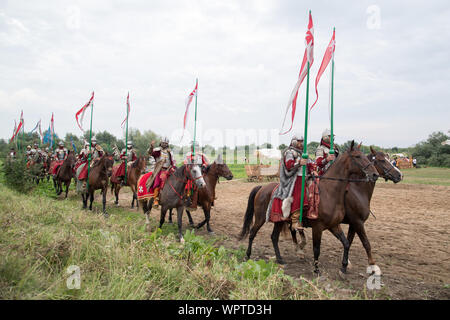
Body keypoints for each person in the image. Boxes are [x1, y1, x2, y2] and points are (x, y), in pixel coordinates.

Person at [269, 135, 316, 231]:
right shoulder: (290, 152)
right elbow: (289, 165)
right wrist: (299, 163)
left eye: (302, 141)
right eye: (298, 141)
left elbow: (311, 163)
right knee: (299, 195)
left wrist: (313, 170)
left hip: (305, 177)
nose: (300, 143)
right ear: (294, 141)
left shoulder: (304, 153)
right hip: (293, 178)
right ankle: (295, 221)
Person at [147, 137, 176, 208]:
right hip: (159, 170)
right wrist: (151, 147)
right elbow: (150, 153)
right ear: (161, 143)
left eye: (166, 143)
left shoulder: (170, 152)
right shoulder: (157, 150)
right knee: (158, 182)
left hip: (168, 170)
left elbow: (173, 161)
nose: (164, 144)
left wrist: (173, 167)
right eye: (163, 143)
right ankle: (156, 199)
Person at [184, 141, 210, 210]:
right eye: (193, 147)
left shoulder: (200, 155)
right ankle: (188, 199)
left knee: (208, 181)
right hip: (192, 172)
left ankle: (209, 197)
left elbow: (206, 162)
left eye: (196, 147)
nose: (195, 148)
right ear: (191, 147)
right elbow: (185, 163)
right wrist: (190, 162)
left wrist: (204, 165)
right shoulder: (188, 154)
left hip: (200, 172)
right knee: (189, 184)